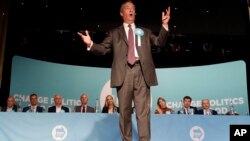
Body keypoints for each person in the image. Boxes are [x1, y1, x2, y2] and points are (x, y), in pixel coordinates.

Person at [77, 1, 170, 140]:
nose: (131, 10)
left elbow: (159, 42)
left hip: (142, 73)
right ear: (122, 13)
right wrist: (90, 44)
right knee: (124, 113)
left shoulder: (145, 32)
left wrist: (165, 25)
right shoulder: (114, 33)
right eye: (128, 8)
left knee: (143, 113)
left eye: (133, 9)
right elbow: (103, 49)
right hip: (123, 73)